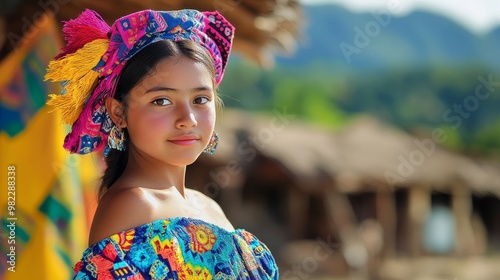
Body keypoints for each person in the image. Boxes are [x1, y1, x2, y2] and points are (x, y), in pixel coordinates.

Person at [45, 8, 279, 279]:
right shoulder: (133, 205)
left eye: (200, 99)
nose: (187, 119)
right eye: (161, 101)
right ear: (118, 112)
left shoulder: (208, 206)